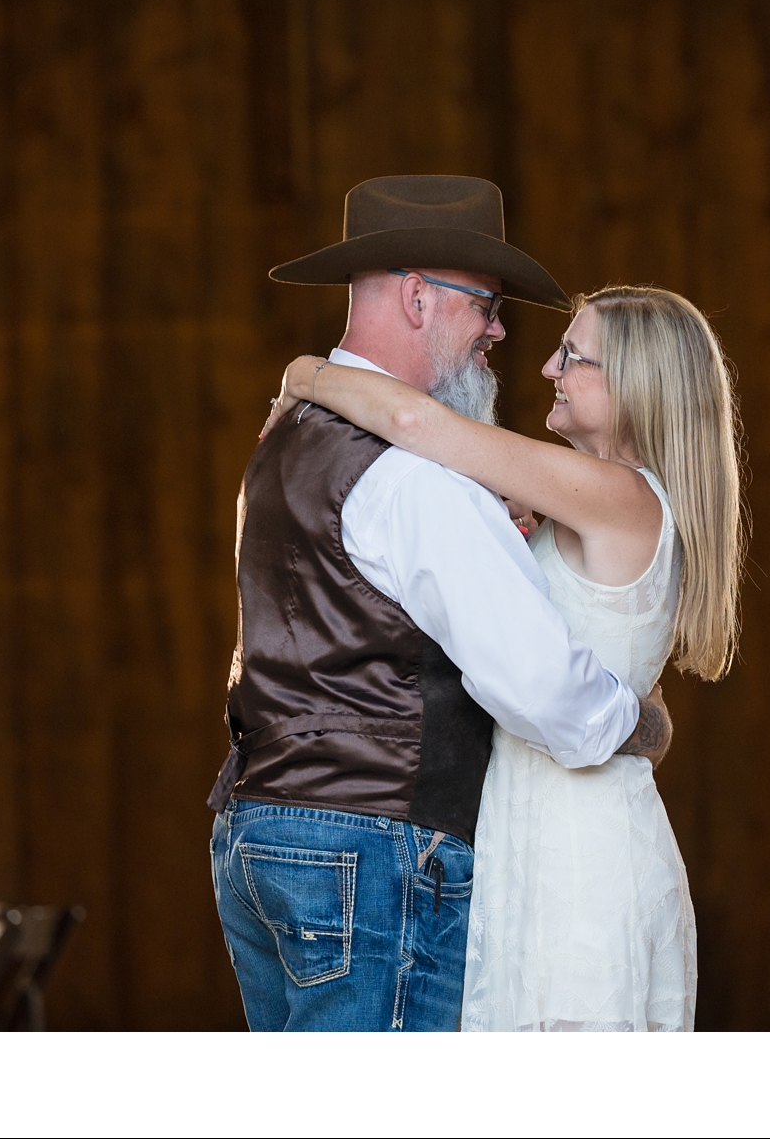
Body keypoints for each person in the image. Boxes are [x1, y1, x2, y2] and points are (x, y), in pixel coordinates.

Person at [210, 176, 677, 1032]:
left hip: (254, 829)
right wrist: (638, 723)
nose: (502, 332)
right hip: (372, 848)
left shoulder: (283, 437)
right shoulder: (417, 470)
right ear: (420, 297)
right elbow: (543, 691)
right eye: (487, 306)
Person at [266, 274, 743, 1032]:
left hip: (578, 853)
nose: (547, 368)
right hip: (537, 829)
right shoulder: (593, 502)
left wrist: (308, 375)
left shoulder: (614, 494)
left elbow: (413, 422)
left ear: (637, 385)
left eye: (572, 356)